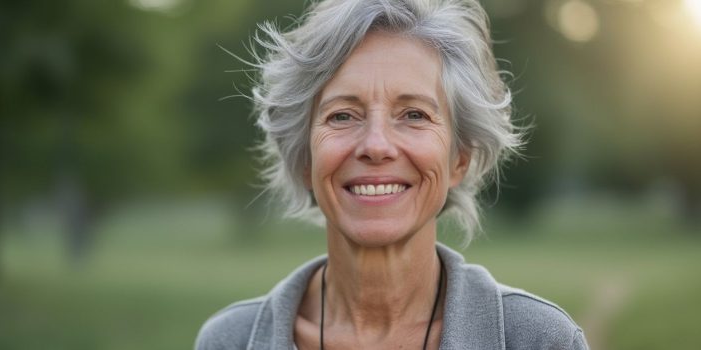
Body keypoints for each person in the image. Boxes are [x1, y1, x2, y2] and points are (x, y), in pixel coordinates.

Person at [196, 0, 588, 349]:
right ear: (304, 159)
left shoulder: (541, 339)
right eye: (343, 116)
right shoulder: (227, 340)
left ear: (459, 159)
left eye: (414, 115)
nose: (377, 145)